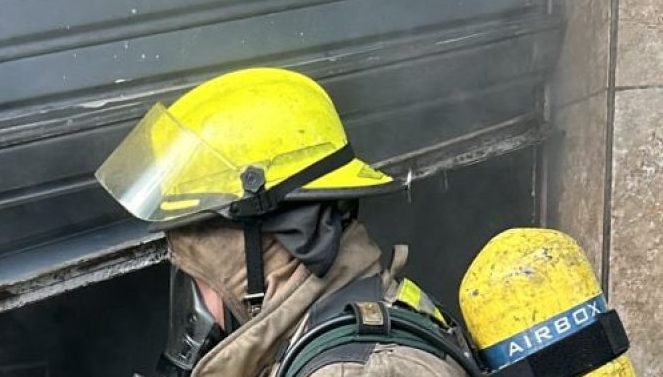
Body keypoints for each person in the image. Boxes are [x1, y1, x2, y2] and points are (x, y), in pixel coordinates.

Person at [95, 68, 480, 377]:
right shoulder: (331, 331)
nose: (194, 303)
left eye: (198, 276)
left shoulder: (360, 371)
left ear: (268, 250)